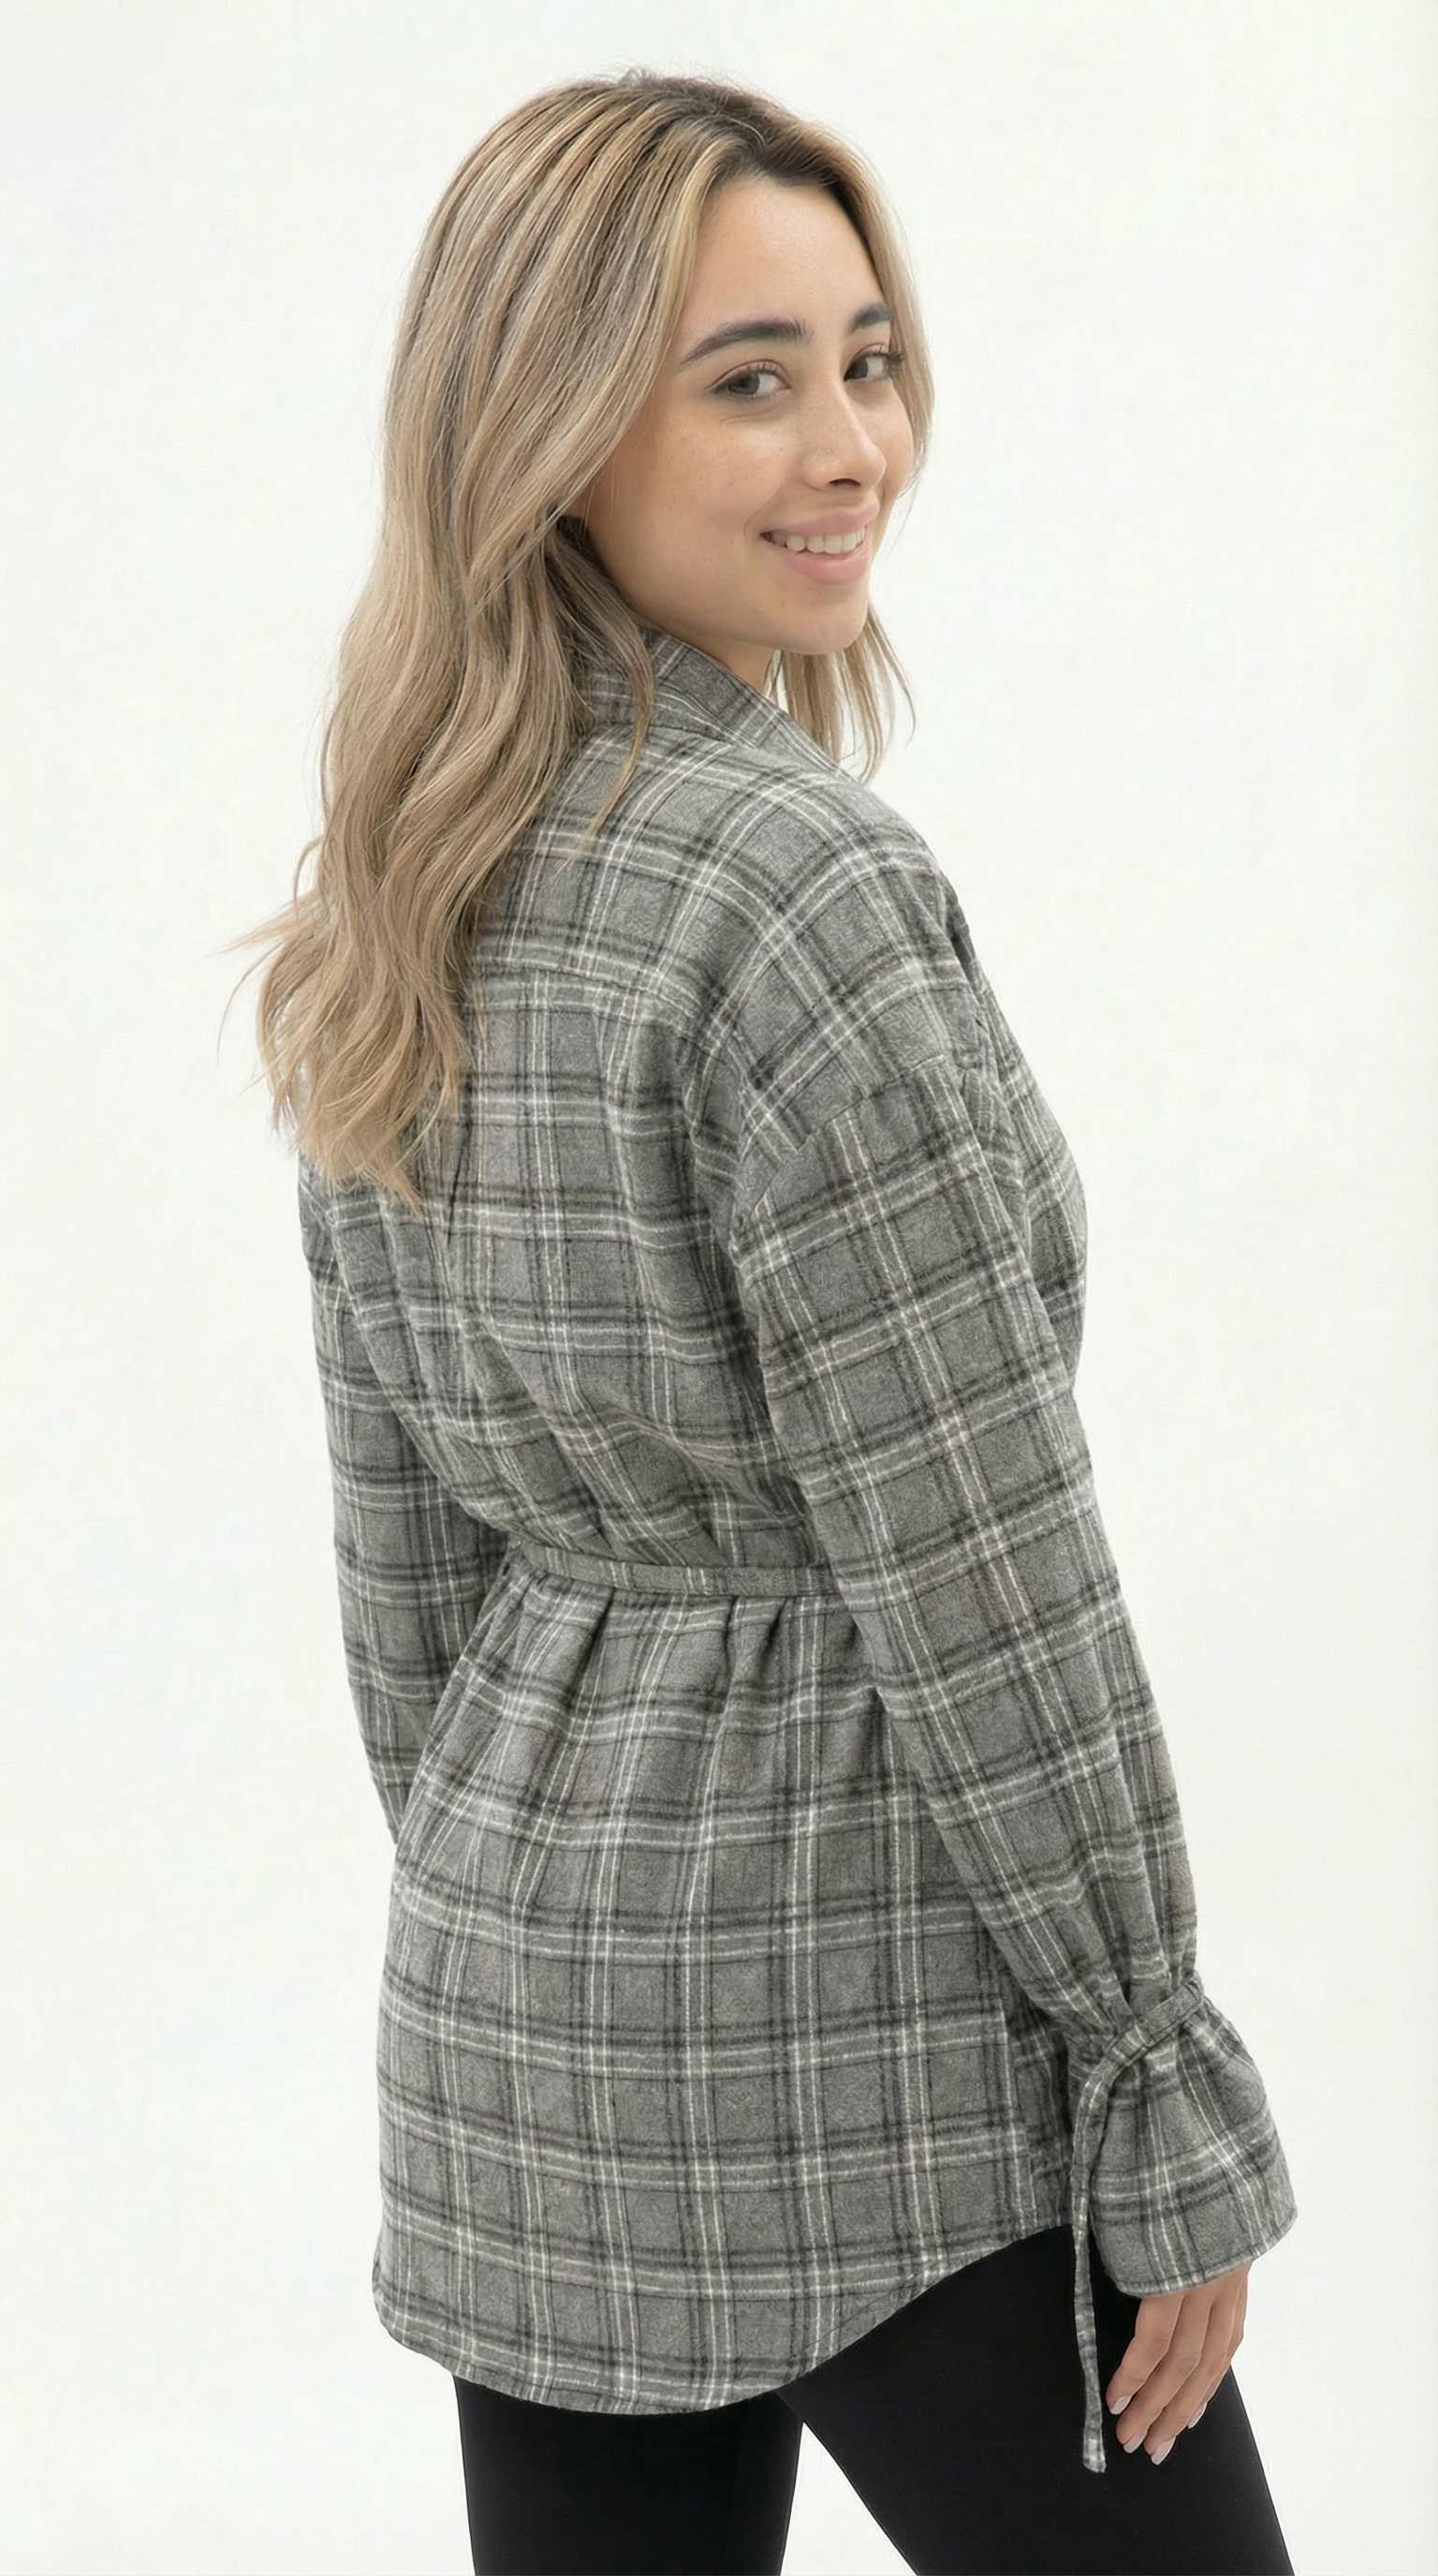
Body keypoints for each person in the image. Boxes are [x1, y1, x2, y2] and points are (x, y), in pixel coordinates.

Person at [243, 67, 1299, 2576]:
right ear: (552, 418)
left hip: (521, 2044)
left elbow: (404, 1590)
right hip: (886, 2057)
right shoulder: (798, 904)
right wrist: (1158, 2074)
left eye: (868, 357)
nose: (850, 446)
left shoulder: (396, 876)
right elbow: (984, 1578)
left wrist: (555, 1918)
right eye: (750, 379)